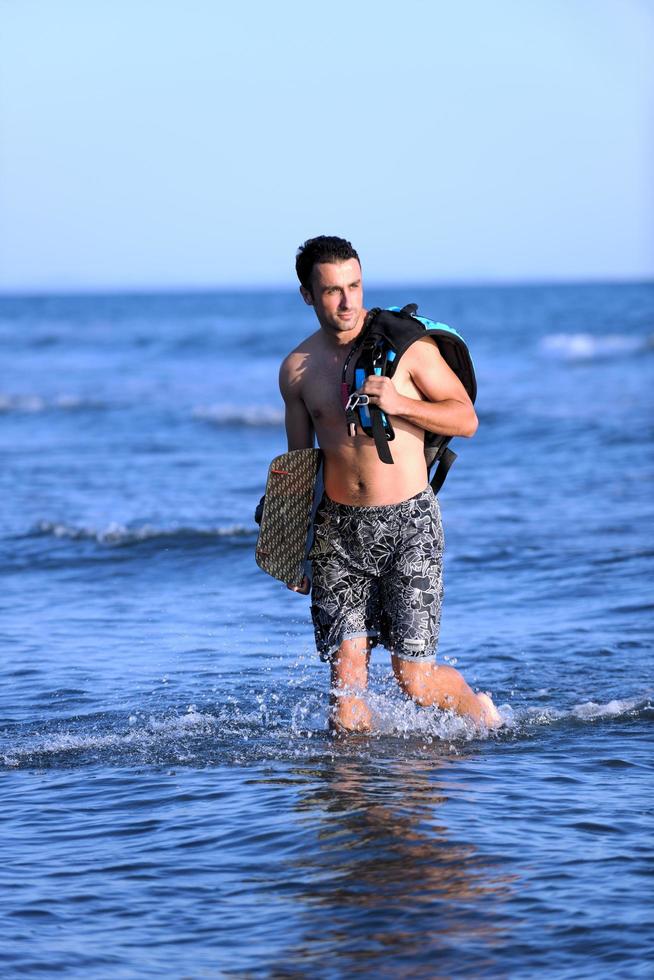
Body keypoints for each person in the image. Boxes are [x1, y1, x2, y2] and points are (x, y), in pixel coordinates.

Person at [279, 235, 501, 733]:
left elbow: (465, 417)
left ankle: (484, 717)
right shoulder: (296, 371)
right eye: (333, 290)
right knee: (345, 691)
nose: (347, 301)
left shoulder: (407, 350)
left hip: (408, 526)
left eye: (355, 285)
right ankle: (355, 801)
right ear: (308, 295)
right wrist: (293, 546)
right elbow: (298, 463)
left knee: (413, 682)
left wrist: (398, 403)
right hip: (337, 534)